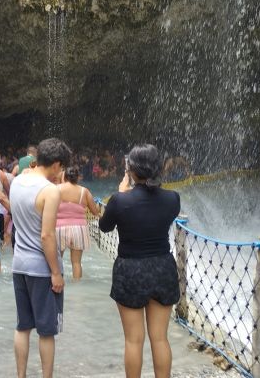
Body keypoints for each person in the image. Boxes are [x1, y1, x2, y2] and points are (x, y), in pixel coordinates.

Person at [98, 144, 180, 378]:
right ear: (159, 168)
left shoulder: (119, 200)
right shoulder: (173, 199)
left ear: (131, 170)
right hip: (162, 268)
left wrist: (122, 193)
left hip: (130, 269)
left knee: (133, 340)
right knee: (160, 337)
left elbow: (105, 227)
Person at [10, 138, 71, 378]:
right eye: (62, 167)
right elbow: (46, 236)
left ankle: (21, 375)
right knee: (47, 331)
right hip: (41, 269)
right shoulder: (50, 191)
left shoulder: (17, 181)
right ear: (56, 164)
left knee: (22, 326)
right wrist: (56, 272)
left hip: (19, 264)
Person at [55, 166, 101, 281]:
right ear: (78, 178)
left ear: (64, 177)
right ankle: (77, 290)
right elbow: (95, 212)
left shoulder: (56, 189)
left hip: (59, 228)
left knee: (57, 261)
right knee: (76, 263)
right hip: (79, 229)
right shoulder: (84, 191)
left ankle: (57, 285)